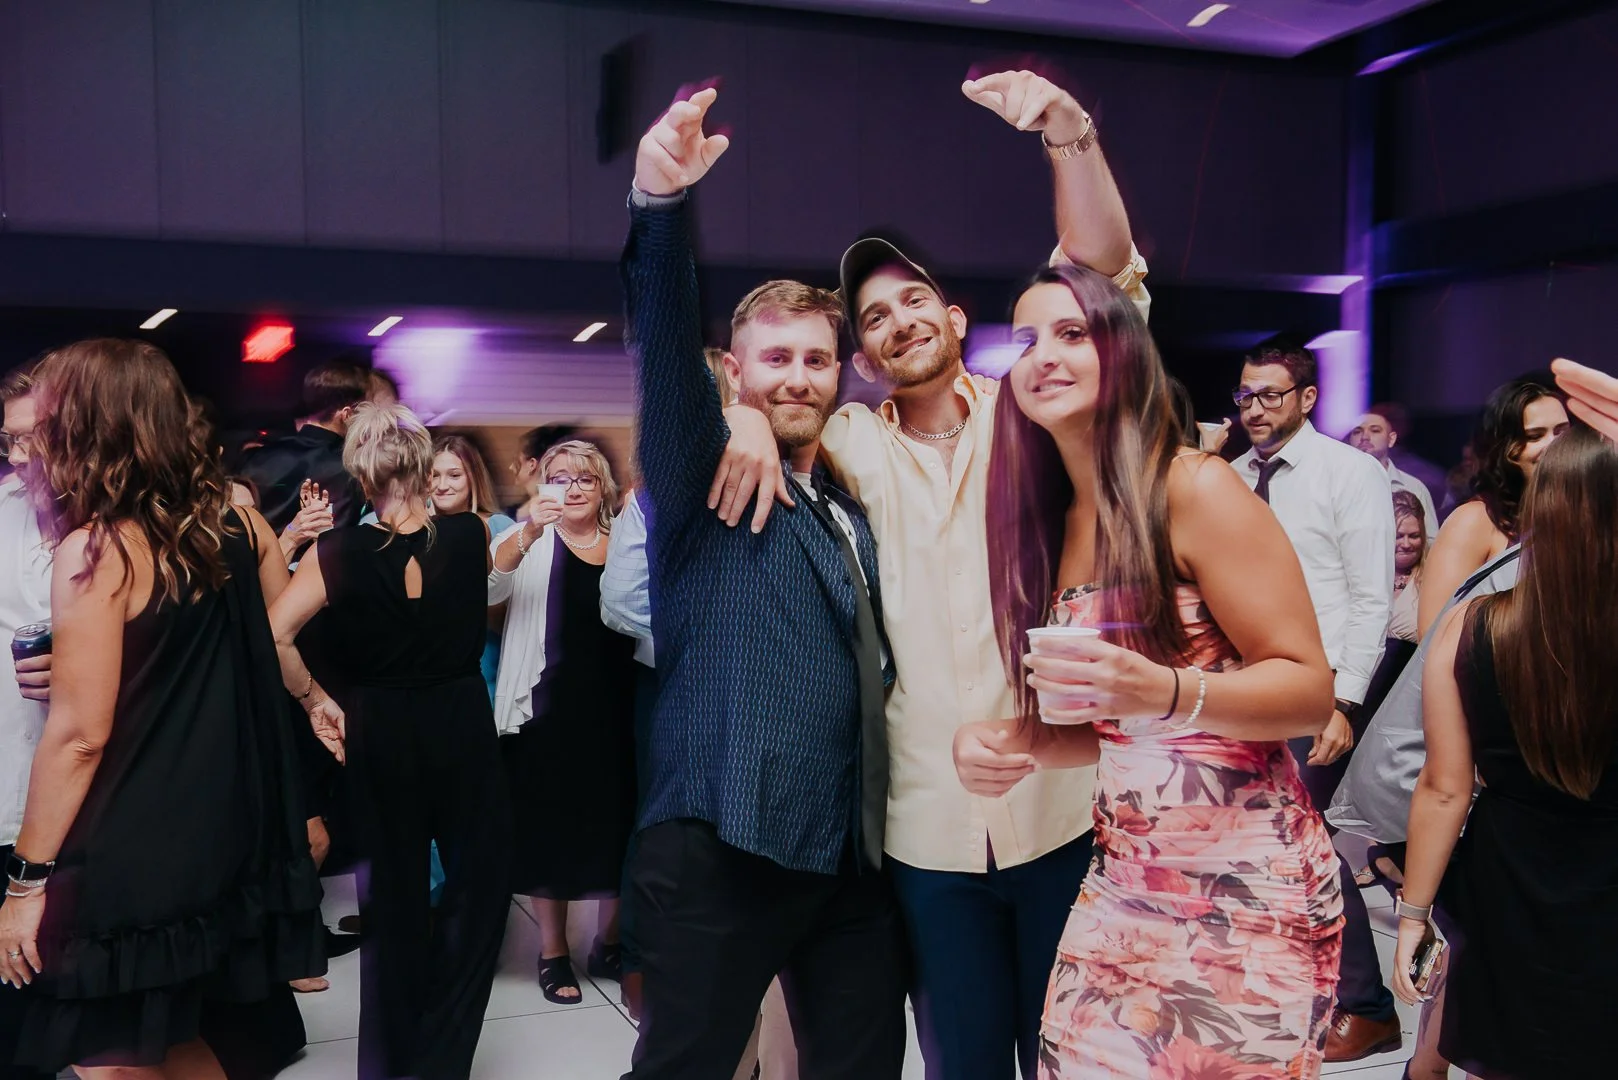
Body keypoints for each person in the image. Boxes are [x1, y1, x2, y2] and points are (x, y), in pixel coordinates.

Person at [712, 66, 1146, 1080]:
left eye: (916, 301)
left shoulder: (1034, 410)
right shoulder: (854, 441)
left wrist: (1066, 133)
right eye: (873, 317)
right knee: (961, 1063)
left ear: (956, 321)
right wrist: (738, 406)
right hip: (924, 829)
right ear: (861, 356)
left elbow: (1105, 279)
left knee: (1070, 1054)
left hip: (1060, 807)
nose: (898, 320)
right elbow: (765, 406)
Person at [951, 263, 1342, 1077]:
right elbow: (1099, 728)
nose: (1043, 356)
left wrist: (1165, 689)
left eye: (1072, 333)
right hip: (1124, 882)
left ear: (1124, 353)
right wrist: (1007, 741)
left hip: (1246, 884)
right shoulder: (1047, 521)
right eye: (1026, 339)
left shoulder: (1194, 487)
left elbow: (1308, 693)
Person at [620, 85, 907, 1079]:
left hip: (847, 858)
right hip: (721, 842)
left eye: (817, 359)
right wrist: (661, 202)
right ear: (733, 371)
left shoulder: (850, 508)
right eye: (773, 359)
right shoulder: (707, 472)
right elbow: (661, 345)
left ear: (841, 374)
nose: (797, 376)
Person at [0, 339, 325, 1077]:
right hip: (217, 830)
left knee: (104, 1051)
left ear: (86, 425)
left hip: (132, 836)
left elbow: (80, 735)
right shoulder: (225, 529)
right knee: (163, 1036)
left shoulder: (97, 550)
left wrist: (25, 882)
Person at [266, 403, 511, 1080]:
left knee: (393, 902)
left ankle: (390, 1063)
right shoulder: (470, 534)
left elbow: (273, 635)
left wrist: (316, 701)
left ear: (361, 473)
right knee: (480, 889)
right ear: (421, 465)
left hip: (379, 731)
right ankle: (443, 1055)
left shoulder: (334, 552)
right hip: (460, 723)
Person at [1393, 425, 1616, 1080]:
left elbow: (1443, 786)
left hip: (1511, 873)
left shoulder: (1474, 624)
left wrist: (1413, 914)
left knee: (1513, 1048)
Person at [1230, 338, 1399, 1061]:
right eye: (1245, 395)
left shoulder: (1350, 473)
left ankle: (1368, 1006)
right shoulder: (1229, 476)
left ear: (1306, 398)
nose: (1255, 409)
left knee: (1311, 849)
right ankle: (1289, 994)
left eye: (1271, 395)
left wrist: (1346, 705)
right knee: (1247, 849)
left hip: (1314, 691)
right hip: (1241, 691)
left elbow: (1371, 600)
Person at [490, 440, 637, 1005]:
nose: (573, 488)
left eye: (584, 479)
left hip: (617, 704)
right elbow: (489, 587)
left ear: (602, 488)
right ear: (542, 486)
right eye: (560, 478)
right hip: (548, 705)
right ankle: (553, 950)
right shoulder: (528, 538)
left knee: (619, 820)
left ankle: (611, 938)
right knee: (549, 825)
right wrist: (526, 531)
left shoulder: (625, 540)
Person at [1419, 376, 1568, 636]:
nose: (1554, 445)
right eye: (1535, 436)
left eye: (1561, 432)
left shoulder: (1579, 512)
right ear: (1504, 448)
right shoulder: (1475, 521)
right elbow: (1433, 636)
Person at [0, 362, 54, 1080]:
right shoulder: (6, 505)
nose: (15, 457)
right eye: (8, 441)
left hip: (94, 769)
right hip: (13, 744)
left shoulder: (121, 517)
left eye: (30, 439)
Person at [426, 435, 515, 703]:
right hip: (428, 673)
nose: (442, 486)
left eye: (454, 475)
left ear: (473, 478)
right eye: (434, 475)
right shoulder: (417, 531)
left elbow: (515, 615)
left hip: (486, 670)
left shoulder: (500, 527)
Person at [239, 359, 373, 533]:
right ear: (346, 414)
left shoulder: (258, 456)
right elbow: (338, 541)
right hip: (312, 559)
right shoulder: (347, 470)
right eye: (363, 410)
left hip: (260, 556)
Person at [1349, 405, 1438, 539]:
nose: (1365, 437)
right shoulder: (1336, 485)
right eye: (1357, 432)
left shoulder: (1413, 487)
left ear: (1391, 439)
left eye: (1375, 430)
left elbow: (1430, 540)